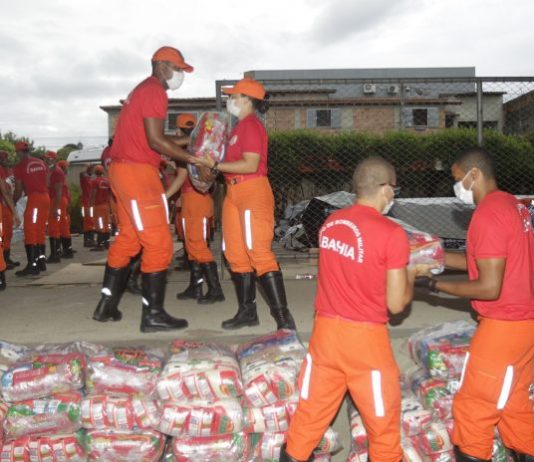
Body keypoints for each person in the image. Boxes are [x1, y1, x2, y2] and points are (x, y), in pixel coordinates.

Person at [278, 157, 434, 462]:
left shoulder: (332, 224)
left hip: (324, 335)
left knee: (306, 421)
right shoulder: (392, 234)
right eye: (394, 188)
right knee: (383, 430)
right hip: (365, 343)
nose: (394, 195)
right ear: (385, 188)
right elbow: (396, 304)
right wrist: (413, 274)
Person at [416, 148, 534, 462]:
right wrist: (430, 259)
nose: (458, 188)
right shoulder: (511, 204)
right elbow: (480, 261)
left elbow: (489, 286)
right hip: (524, 326)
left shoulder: (488, 213)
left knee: (472, 410)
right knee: (513, 406)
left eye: (458, 180)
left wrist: (433, 285)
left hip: (504, 328)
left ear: (474, 175)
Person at [93, 45, 200, 333]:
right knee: (159, 243)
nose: (180, 75)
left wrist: (188, 143)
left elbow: (152, 137)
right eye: (178, 69)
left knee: (129, 239)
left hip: (124, 170)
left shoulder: (142, 90)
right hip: (138, 174)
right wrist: (191, 158)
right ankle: (153, 315)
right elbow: (155, 141)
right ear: (162, 65)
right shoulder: (155, 91)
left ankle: (106, 307)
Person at [196, 77, 295, 330]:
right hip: (234, 192)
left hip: (252, 190)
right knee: (236, 254)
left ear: (247, 100)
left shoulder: (251, 126)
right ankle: (247, 312)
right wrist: (211, 169)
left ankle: (284, 319)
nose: (230, 100)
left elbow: (251, 164)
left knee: (258, 252)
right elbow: (228, 165)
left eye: (234, 96)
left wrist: (215, 166)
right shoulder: (237, 129)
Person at [166, 113, 224, 304]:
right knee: (192, 246)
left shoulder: (189, 147)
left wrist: (164, 197)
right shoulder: (198, 145)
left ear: (177, 130)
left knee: (197, 246)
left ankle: (215, 290)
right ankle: (196, 286)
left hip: (196, 200)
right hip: (193, 199)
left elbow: (182, 175)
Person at [13, 141, 50, 276]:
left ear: (19, 152)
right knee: (39, 230)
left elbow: (18, 189)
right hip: (45, 197)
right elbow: (47, 181)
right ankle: (41, 262)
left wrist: (13, 201)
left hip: (34, 199)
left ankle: (32, 265)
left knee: (30, 231)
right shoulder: (41, 162)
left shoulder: (19, 167)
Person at [0, 150, 21, 269]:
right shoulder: (1, 170)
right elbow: (6, 192)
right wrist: (15, 212)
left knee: (8, 233)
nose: (6, 160)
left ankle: (6, 258)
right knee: (3, 234)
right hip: (3, 205)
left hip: (7, 205)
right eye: (3, 158)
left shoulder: (8, 170)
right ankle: (3, 260)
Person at [43, 151, 64, 263]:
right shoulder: (49, 171)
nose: (46, 160)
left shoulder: (57, 172)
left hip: (55, 202)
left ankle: (55, 255)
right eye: (45, 158)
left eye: (49, 159)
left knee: (54, 229)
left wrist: (55, 208)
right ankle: (55, 253)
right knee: (52, 228)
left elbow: (59, 192)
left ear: (54, 160)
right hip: (51, 201)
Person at [89, 165, 111, 251]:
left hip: (98, 206)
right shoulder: (106, 181)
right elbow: (109, 194)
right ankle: (106, 243)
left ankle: (100, 244)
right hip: (106, 205)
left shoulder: (95, 181)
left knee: (99, 224)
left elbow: (93, 194)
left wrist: (90, 203)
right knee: (106, 224)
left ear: (95, 172)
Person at [56, 160, 74, 258]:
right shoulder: (61, 176)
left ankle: (62, 251)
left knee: (60, 226)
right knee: (63, 226)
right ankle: (67, 250)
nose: (67, 169)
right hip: (62, 202)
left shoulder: (60, 176)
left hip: (60, 202)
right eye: (66, 167)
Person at [80, 164, 96, 247]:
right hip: (86, 202)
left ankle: (90, 239)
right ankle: (88, 240)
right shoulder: (85, 176)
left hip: (89, 203)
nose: (94, 171)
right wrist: (87, 168)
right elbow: (82, 173)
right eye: (93, 169)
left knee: (90, 221)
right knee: (87, 221)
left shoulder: (90, 179)